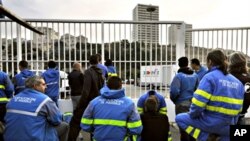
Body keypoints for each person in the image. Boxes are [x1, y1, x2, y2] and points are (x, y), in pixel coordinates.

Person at [175, 49, 245, 141]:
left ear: (210, 62)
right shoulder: (238, 83)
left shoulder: (209, 78)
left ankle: (205, 137)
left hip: (209, 122)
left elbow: (198, 104)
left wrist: (193, 115)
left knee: (180, 118)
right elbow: (239, 110)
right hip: (228, 126)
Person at [4, 76, 69, 141]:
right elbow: (56, 120)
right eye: (43, 84)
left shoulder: (13, 99)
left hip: (9, 137)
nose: (46, 87)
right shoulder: (45, 100)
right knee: (65, 126)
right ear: (35, 86)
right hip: (33, 138)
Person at [81, 76, 142, 141]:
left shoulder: (94, 102)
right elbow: (136, 129)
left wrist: (97, 130)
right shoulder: (129, 104)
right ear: (121, 86)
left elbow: (85, 125)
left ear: (107, 86)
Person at [68, 54, 105, 141]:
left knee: (75, 123)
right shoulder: (100, 73)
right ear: (99, 62)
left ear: (89, 62)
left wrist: (80, 105)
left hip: (88, 102)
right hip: (98, 102)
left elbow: (86, 91)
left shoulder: (88, 72)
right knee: (94, 125)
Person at [170, 56, 198, 141]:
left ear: (179, 65)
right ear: (187, 64)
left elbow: (174, 91)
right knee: (193, 127)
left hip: (181, 105)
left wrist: (175, 101)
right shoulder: (195, 75)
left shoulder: (178, 76)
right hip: (193, 104)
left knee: (183, 129)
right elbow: (198, 90)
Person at [228, 52, 250, 124]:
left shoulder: (225, 77)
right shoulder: (247, 79)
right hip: (240, 117)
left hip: (224, 117)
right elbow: (247, 98)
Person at [0, 70, 14, 140]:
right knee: (4, 123)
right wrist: (9, 96)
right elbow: (10, 89)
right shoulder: (3, 75)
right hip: (1, 104)